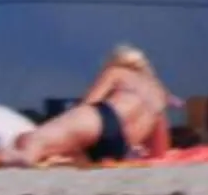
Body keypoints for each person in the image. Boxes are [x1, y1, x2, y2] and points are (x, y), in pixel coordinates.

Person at [12, 45, 174, 165]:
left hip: (107, 118)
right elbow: (159, 150)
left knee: (33, 141)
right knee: (63, 152)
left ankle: (23, 156)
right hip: (119, 148)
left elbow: (89, 104)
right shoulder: (159, 94)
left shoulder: (117, 72)